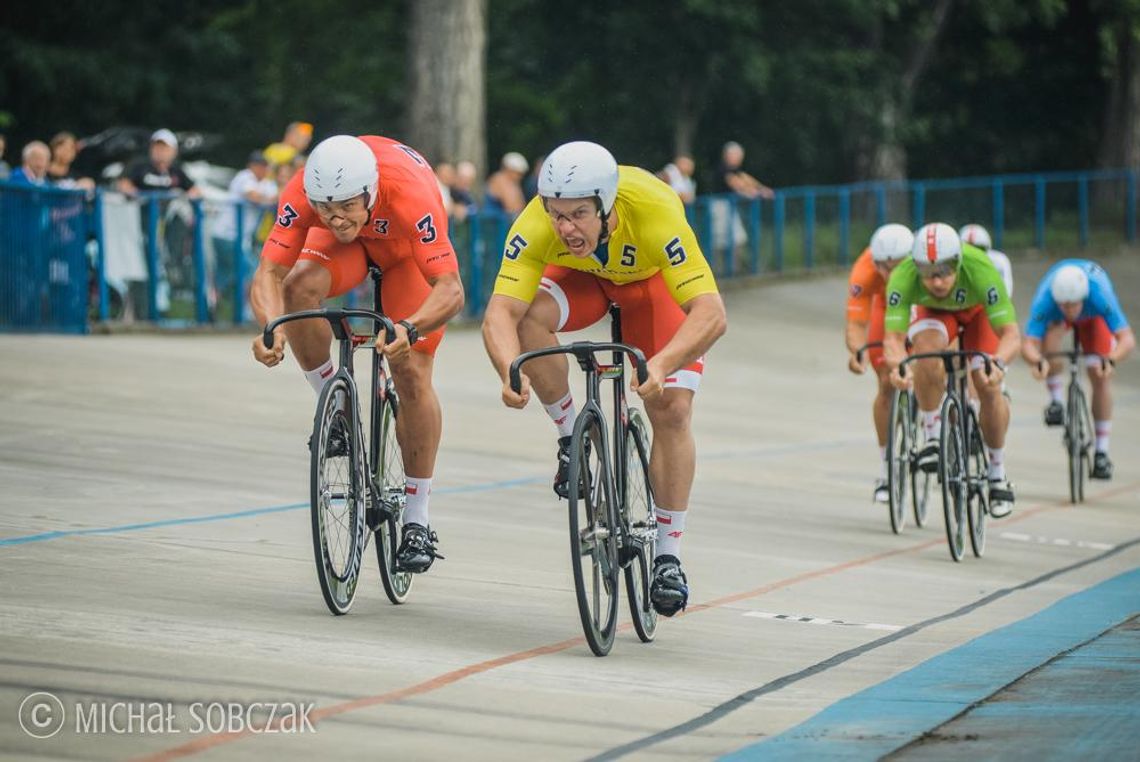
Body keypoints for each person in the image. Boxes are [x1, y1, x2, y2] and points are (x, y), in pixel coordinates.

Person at [481, 141, 727, 617]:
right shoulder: (537, 223)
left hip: (649, 286)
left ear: (607, 205)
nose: (565, 227)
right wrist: (509, 370)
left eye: (577, 214)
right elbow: (499, 314)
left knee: (671, 409)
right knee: (529, 319)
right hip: (584, 280)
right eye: (556, 215)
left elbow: (711, 314)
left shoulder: (654, 211)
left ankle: (669, 556)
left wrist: (660, 364)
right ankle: (571, 434)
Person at [250, 134, 465, 573]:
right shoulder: (306, 193)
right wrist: (271, 329)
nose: (336, 217)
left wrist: (409, 327)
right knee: (298, 289)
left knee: (410, 371)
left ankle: (417, 519)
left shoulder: (409, 194)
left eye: (347, 206)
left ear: (369, 191)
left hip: (406, 254)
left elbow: (451, 289)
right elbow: (270, 272)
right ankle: (336, 404)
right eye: (326, 208)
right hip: (346, 251)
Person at [884, 222, 1021, 518]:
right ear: (916, 266)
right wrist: (898, 367)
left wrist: (998, 364)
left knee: (986, 383)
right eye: (928, 272)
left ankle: (997, 473)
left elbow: (1011, 335)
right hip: (934, 316)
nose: (936, 281)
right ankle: (933, 436)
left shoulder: (981, 268)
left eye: (945, 270)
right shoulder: (903, 275)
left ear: (958, 262)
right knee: (925, 351)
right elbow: (893, 340)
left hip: (978, 315)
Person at [1020, 261, 1134, 479]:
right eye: (1065, 305)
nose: (1070, 310)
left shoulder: (1099, 293)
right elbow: (1028, 343)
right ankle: (1056, 401)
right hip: (1056, 320)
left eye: (1073, 305)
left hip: (1094, 318)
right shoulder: (1047, 298)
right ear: (1057, 300)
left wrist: (1111, 360)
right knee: (1049, 346)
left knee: (1099, 374)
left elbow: (1126, 339)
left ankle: (1101, 451)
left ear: (1083, 297)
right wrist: (1038, 361)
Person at [844, 223, 915, 503]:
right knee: (885, 381)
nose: (889, 274)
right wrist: (858, 351)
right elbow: (856, 323)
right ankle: (887, 467)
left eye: (896, 267)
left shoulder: (920, 267)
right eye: (883, 267)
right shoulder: (865, 270)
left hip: (916, 302)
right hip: (884, 307)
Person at [212, 150, 278, 315]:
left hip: (239, 238)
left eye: (264, 165)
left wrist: (269, 198)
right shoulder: (244, 177)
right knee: (250, 269)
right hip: (226, 235)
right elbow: (253, 196)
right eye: (258, 165)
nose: (261, 169)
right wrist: (267, 199)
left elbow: (277, 197)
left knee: (225, 274)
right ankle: (244, 311)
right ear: (251, 166)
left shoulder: (267, 183)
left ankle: (212, 304)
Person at [117, 129, 199, 197]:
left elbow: (194, 191)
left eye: (164, 148)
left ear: (174, 151)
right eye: (156, 147)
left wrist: (184, 197)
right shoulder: (139, 165)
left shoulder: (177, 170)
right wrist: (136, 195)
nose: (160, 151)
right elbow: (123, 183)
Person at [959, 223, 1013, 296]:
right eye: (968, 249)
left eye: (978, 249)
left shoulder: (999, 261)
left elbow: (1006, 292)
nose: (973, 254)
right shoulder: (955, 262)